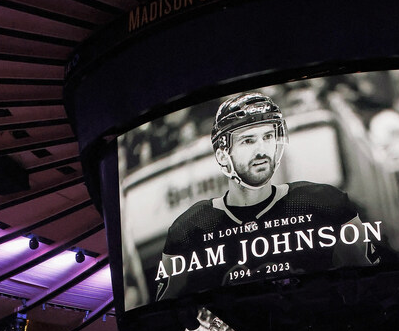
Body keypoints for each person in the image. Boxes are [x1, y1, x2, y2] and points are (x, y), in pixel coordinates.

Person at [155, 92, 379, 299]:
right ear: (223, 155)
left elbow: (373, 285)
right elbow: (162, 316)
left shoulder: (326, 203)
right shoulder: (188, 230)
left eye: (268, 137)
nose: (261, 150)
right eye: (248, 141)